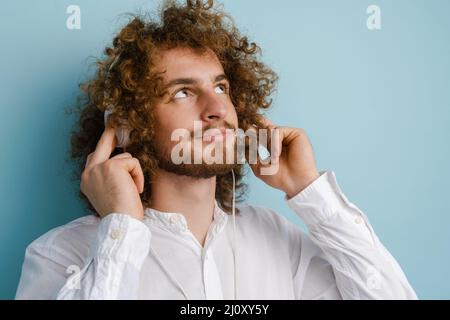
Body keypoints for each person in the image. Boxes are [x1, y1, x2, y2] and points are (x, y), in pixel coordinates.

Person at [15, 0, 417, 299]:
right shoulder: (59, 255)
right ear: (127, 125)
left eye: (221, 87)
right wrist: (120, 228)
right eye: (183, 92)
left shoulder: (276, 237)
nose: (218, 109)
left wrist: (310, 191)